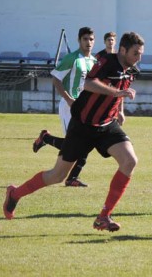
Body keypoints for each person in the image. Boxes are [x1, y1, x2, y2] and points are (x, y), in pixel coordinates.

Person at [3, 32, 145, 232]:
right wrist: (116, 92)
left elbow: (121, 90)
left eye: (140, 54)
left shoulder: (131, 70)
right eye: (135, 54)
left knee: (130, 161)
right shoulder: (106, 61)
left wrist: (119, 109)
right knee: (57, 176)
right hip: (83, 125)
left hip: (106, 125)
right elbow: (88, 83)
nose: (139, 58)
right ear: (122, 50)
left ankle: (103, 217)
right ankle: (15, 193)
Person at [32, 27, 97, 187]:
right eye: (85, 39)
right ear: (79, 40)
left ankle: (46, 139)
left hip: (86, 108)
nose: (88, 42)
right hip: (71, 106)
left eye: (91, 39)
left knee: (83, 143)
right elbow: (56, 79)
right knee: (75, 145)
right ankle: (71, 178)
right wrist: (68, 100)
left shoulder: (94, 61)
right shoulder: (72, 58)